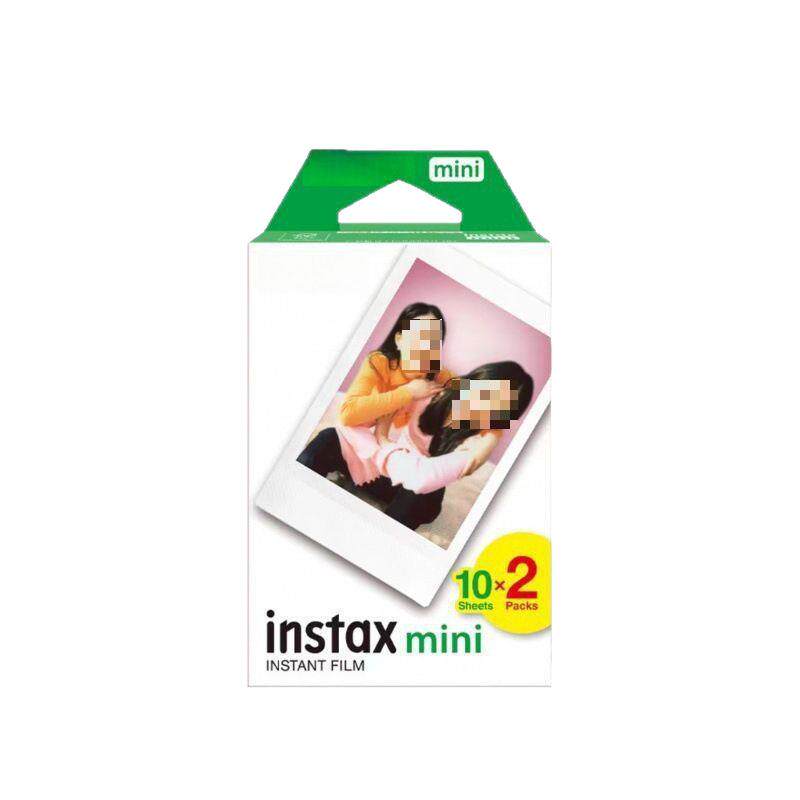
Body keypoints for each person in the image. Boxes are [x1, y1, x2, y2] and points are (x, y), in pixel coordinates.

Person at [298, 302, 452, 485]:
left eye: (434, 340)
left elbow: (476, 405)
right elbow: (348, 413)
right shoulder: (378, 362)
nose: (425, 347)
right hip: (362, 449)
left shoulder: (441, 376)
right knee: (327, 438)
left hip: (396, 465)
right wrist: (408, 392)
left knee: (433, 485)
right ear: (399, 339)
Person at [372, 361, 535, 529]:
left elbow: (422, 479)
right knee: (356, 457)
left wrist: (383, 439)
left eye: (501, 408)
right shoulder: (431, 393)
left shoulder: (478, 441)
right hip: (393, 472)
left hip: (422, 496)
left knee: (415, 491)